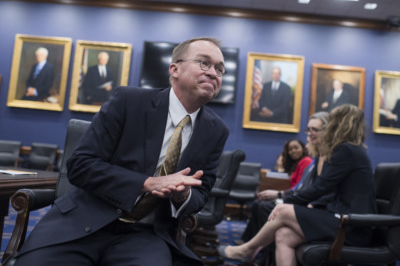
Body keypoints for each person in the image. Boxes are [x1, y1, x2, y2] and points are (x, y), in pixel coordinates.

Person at [14, 37, 230, 266]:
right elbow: (80, 165)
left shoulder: (216, 131)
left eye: (219, 68)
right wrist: (146, 183)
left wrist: (182, 195)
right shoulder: (129, 101)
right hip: (82, 220)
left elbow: (201, 194)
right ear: (174, 69)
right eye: (204, 63)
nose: (213, 73)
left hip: (146, 233)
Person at [218, 104, 376, 265]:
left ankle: (247, 249)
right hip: (344, 220)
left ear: (338, 124)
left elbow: (320, 188)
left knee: (284, 211)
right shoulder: (351, 150)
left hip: (352, 226)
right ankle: (247, 249)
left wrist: (286, 203)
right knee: (283, 235)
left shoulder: (346, 150)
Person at [241, 112, 330, 243]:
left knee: (265, 208)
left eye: (315, 130)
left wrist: (281, 195)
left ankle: (251, 247)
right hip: (300, 198)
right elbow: (301, 187)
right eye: (308, 130)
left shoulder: (310, 161)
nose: (310, 136)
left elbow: (307, 188)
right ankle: (254, 248)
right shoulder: (315, 160)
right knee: (262, 206)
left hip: (311, 205)